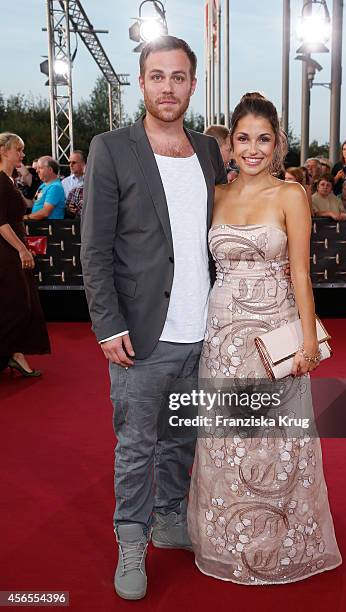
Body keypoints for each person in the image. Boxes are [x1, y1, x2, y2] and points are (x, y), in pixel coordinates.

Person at [81, 36, 227, 601]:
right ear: (141, 82)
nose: (169, 87)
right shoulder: (111, 148)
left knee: (182, 438)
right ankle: (132, 540)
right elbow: (95, 248)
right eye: (158, 76)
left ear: (193, 85)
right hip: (141, 331)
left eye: (180, 77)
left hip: (202, 330)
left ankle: (169, 517)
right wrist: (107, 325)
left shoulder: (207, 153)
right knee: (137, 445)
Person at [187, 92, 342, 585]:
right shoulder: (216, 194)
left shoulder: (290, 194)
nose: (252, 148)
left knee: (276, 439)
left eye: (263, 139)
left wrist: (309, 340)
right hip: (222, 334)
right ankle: (229, 539)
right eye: (243, 138)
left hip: (273, 332)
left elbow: (301, 272)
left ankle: (277, 539)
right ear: (230, 144)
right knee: (228, 438)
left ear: (277, 145)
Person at [0, 133, 50, 375]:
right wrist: (21, 249)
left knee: (23, 302)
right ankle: (10, 353)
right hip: (6, 253)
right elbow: (0, 223)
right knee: (17, 305)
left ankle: (15, 353)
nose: (22, 154)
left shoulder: (9, 180)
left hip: (14, 251)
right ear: (4, 151)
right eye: (18, 150)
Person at [24, 156, 65, 221]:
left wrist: (26, 217)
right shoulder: (43, 185)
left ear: (50, 170)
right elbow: (32, 203)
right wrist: (19, 194)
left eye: (40, 168)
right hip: (41, 227)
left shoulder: (55, 187)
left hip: (49, 228)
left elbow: (45, 212)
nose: (37, 171)